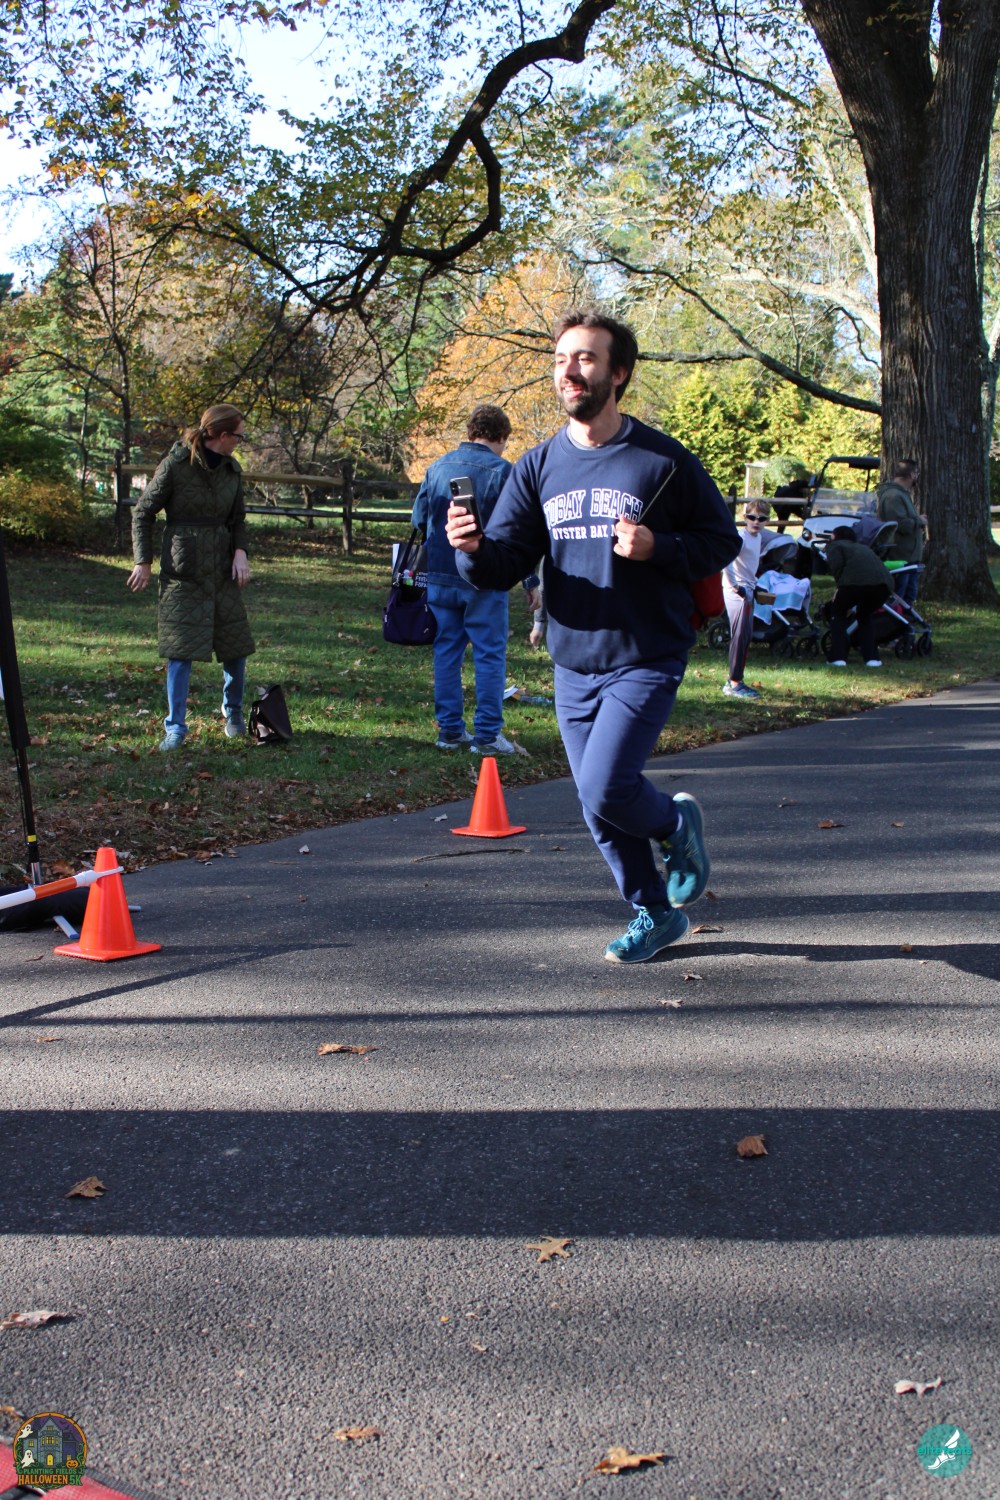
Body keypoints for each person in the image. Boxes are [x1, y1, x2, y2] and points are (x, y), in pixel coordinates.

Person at [447, 308, 740, 964]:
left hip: (646, 653)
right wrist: (470, 550)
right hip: (574, 660)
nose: (569, 371)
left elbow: (721, 540)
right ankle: (654, 911)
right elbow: (503, 563)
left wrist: (659, 546)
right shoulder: (538, 466)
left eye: (584, 359)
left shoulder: (663, 460)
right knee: (594, 802)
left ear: (619, 373)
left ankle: (675, 824)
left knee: (606, 785)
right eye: (561, 360)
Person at [127, 404, 254, 750]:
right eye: (239, 436)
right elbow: (143, 513)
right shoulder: (176, 465)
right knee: (179, 650)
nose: (240, 441)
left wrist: (241, 552)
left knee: (235, 646)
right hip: (183, 571)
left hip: (223, 570)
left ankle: (233, 713)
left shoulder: (231, 470)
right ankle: (175, 727)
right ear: (223, 435)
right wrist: (143, 561)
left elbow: (238, 519)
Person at [412, 404, 522, 754]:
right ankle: (487, 735)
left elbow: (418, 520)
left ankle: (449, 731)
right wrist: (531, 582)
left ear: (471, 431)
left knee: (446, 652)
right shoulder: (504, 472)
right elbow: (519, 531)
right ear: (501, 436)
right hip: (483, 577)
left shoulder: (436, 468)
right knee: (489, 655)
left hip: (440, 575)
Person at [721, 500, 777, 700]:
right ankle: (734, 683)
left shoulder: (758, 537)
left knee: (745, 636)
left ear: (767, 521)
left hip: (749, 589)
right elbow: (726, 562)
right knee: (740, 636)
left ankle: (736, 680)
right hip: (738, 592)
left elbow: (750, 564)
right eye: (752, 517)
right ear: (745, 518)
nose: (756, 522)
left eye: (761, 519)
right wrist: (736, 587)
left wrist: (755, 585)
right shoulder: (741, 537)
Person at [823, 524, 893, 667]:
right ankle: (872, 659)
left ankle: (838, 657)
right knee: (864, 615)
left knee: (837, 613)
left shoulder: (835, 546)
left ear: (835, 537)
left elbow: (837, 567)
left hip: (854, 583)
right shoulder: (864, 547)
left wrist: (839, 588)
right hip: (884, 587)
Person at [877, 458, 926, 605]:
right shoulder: (893, 496)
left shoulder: (902, 494)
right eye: (916, 473)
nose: (917, 477)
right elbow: (900, 525)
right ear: (912, 474)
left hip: (909, 557)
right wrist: (919, 521)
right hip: (899, 558)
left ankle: (905, 618)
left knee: (908, 598)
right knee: (899, 598)